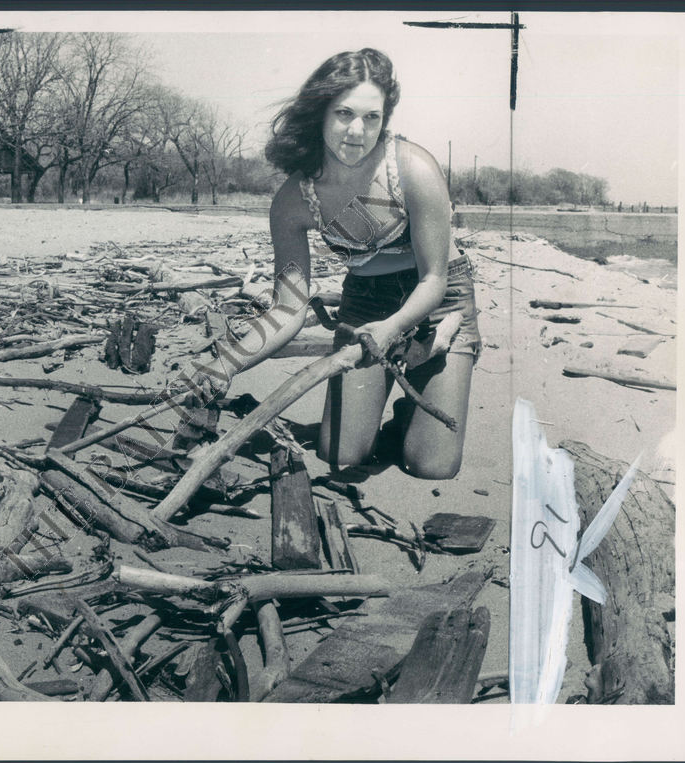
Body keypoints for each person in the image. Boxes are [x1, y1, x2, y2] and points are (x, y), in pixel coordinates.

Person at [192, 48, 481, 479]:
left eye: (372, 117)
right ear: (320, 113)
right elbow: (288, 308)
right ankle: (385, 402)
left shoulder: (414, 170)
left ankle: (412, 408)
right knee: (340, 454)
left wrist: (392, 330)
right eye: (344, 113)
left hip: (438, 303)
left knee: (431, 465)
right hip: (366, 303)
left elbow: (435, 278)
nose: (357, 130)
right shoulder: (294, 200)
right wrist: (225, 364)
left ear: (386, 119)